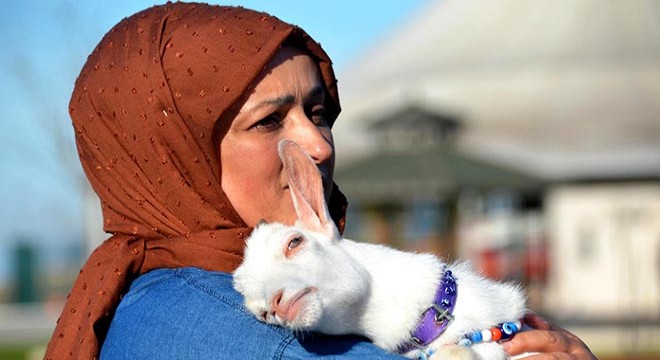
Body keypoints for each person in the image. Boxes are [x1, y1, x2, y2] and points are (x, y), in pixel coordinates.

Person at [46, 3, 596, 359]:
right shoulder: (229, 331)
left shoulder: (144, 303)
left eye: (318, 112)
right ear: (171, 160)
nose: (318, 145)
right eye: (268, 121)